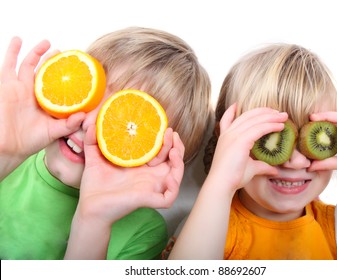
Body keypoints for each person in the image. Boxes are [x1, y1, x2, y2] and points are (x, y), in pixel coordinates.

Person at [0, 26, 211, 259]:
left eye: (126, 122)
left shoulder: (144, 232)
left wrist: (93, 219)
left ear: (158, 154)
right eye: (93, 94)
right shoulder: (12, 159)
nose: (87, 123)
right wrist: (5, 155)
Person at [168, 43, 337, 260]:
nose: (295, 162)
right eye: (267, 135)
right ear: (225, 140)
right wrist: (221, 182)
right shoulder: (211, 225)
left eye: (310, 139)